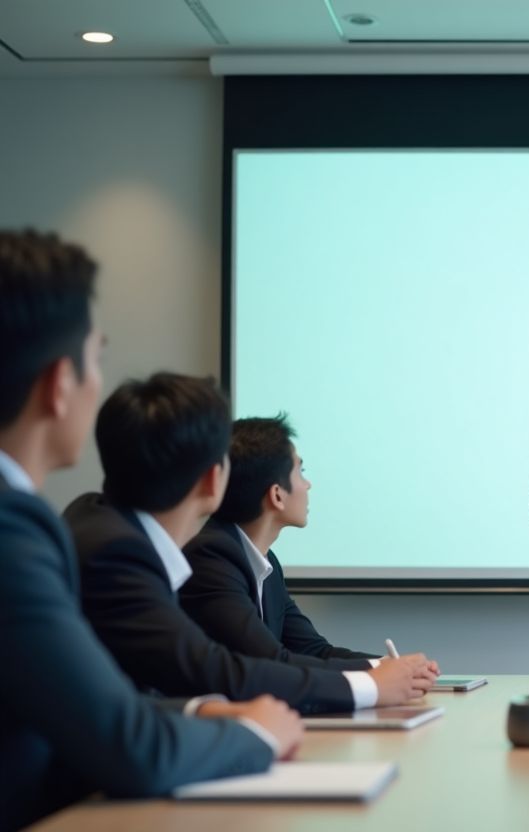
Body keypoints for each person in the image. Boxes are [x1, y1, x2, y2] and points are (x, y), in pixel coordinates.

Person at [0, 229, 302, 830]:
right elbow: (131, 747)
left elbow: (85, 706)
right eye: (96, 358)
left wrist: (197, 712)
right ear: (61, 385)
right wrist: (256, 735)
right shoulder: (14, 533)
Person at [64, 373, 438, 715]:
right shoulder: (135, 554)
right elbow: (220, 669)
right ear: (214, 479)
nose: (307, 484)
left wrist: (388, 672)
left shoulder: (101, 525)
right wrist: (371, 685)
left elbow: (306, 650)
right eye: (301, 471)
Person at [180, 415, 391, 669]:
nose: (308, 484)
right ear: (277, 495)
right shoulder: (212, 557)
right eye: (301, 472)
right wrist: (381, 672)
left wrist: (388, 665)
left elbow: (314, 650)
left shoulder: (266, 563)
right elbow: (269, 661)